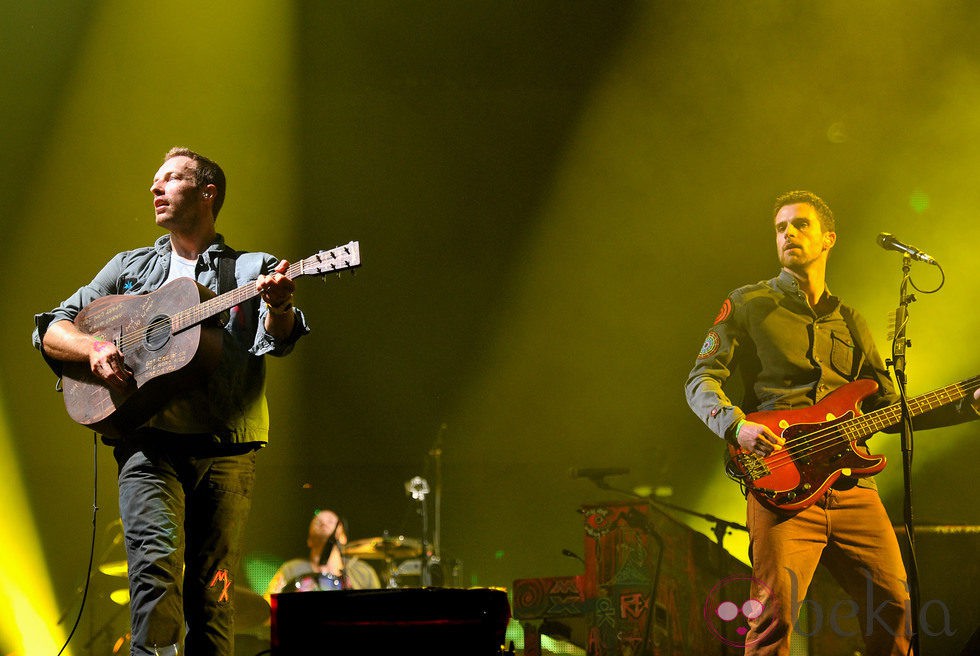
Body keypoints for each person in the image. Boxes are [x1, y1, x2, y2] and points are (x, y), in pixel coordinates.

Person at [32, 147, 310, 656]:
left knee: (216, 590)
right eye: (154, 180)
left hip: (227, 446)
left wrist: (281, 305)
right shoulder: (128, 267)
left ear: (208, 194)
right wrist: (94, 346)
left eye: (171, 179)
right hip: (148, 444)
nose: (155, 188)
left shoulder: (251, 269)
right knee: (153, 574)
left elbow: (282, 338)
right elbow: (52, 327)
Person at [685, 190, 979, 655]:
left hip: (852, 491)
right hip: (781, 485)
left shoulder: (851, 321)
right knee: (772, 621)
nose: (788, 234)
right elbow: (700, 378)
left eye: (800, 225)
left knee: (895, 608)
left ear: (828, 239)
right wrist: (735, 425)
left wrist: (968, 402)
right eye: (781, 227)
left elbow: (889, 407)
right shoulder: (746, 303)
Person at [265, 508, 382, 597]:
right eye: (317, 522)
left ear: (343, 537)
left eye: (331, 521)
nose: (324, 523)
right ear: (309, 541)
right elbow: (267, 607)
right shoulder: (291, 569)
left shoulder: (363, 571)